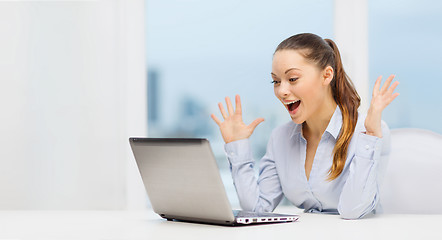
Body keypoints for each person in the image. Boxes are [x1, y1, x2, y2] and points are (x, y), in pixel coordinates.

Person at [210, 33, 399, 219]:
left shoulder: (368, 133)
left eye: (292, 79)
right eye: (275, 81)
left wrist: (372, 134)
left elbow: (353, 210)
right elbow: (257, 208)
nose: (282, 91)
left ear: (326, 76)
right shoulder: (280, 138)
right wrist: (238, 146)